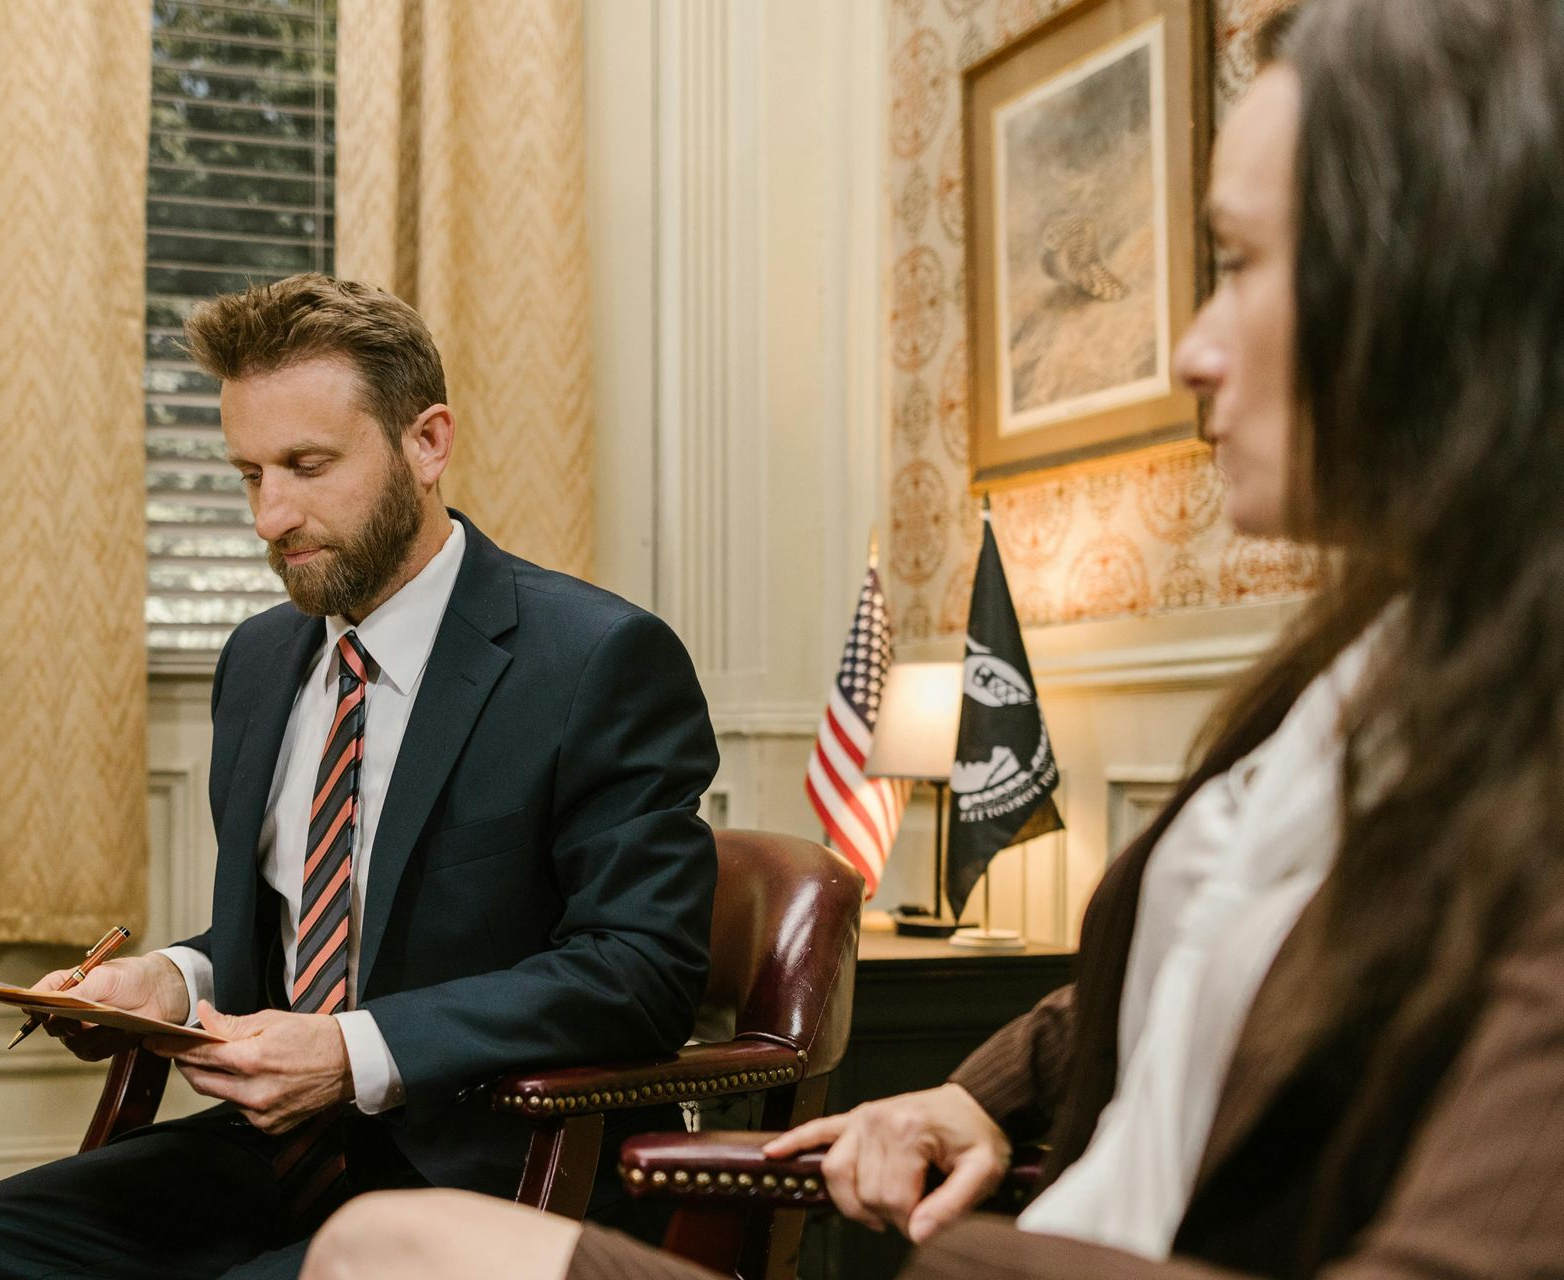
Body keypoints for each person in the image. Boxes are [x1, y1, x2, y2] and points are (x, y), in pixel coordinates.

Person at [297, 0, 1564, 1276]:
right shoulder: (1374, 663)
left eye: (1237, 264)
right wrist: (972, 1093)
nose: (1193, 347)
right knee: (384, 1241)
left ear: (1448, 283)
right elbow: (1199, 968)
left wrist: (973, 1264)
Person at [0, 274, 720, 1279]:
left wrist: (352, 1052)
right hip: (273, 1153)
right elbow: (303, 935)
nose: (270, 516)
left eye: (307, 466)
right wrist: (167, 980)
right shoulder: (260, 658)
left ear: (427, 443)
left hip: (489, 1167)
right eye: (249, 473)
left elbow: (640, 971)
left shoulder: (598, 659)